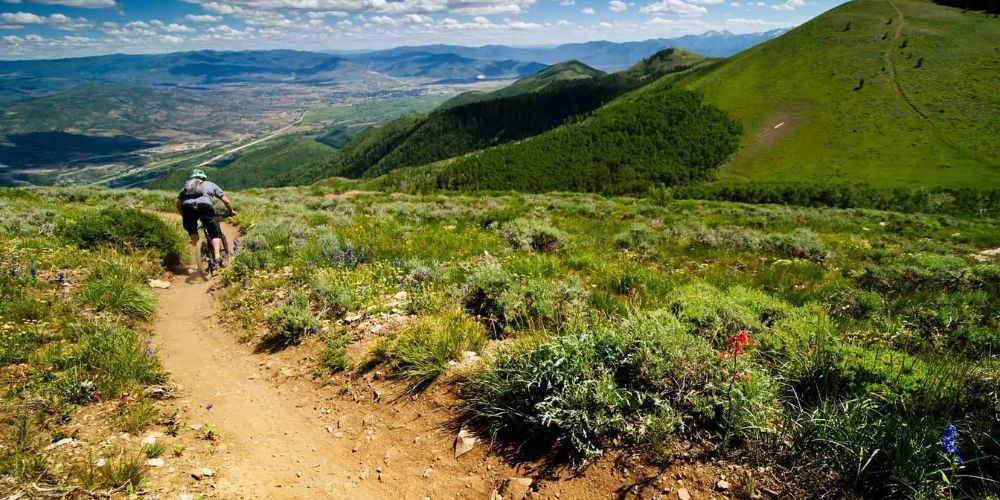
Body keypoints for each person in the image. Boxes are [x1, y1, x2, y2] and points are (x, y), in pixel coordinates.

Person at [176, 169, 235, 262]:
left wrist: (184, 215)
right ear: (204, 178)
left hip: (187, 208)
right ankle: (216, 255)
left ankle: (200, 251)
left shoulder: (185, 187)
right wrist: (231, 211)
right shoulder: (209, 184)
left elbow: (178, 204)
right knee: (214, 233)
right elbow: (226, 201)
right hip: (205, 207)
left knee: (192, 230)